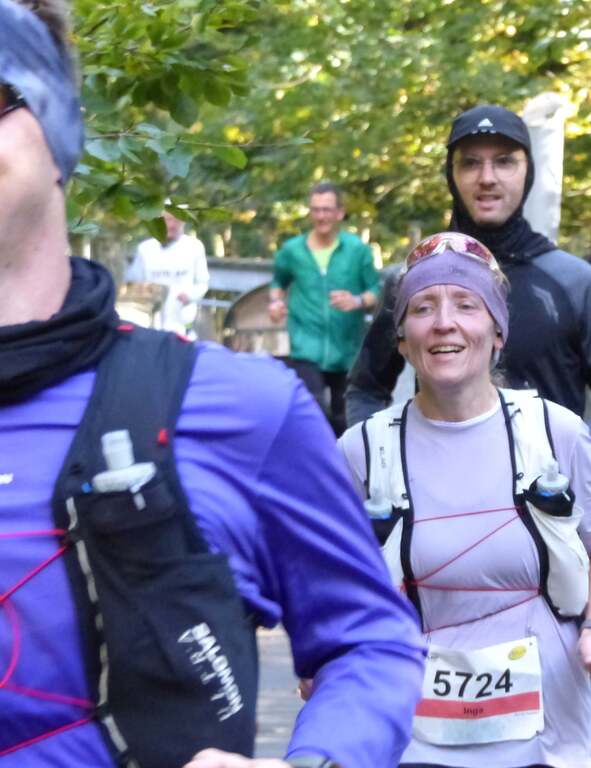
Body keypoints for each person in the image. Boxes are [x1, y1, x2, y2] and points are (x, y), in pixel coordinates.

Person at [0, 3, 424, 767]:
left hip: (320, 365)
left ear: (61, 128)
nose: (321, 212)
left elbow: (370, 639)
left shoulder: (246, 410)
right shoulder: (291, 255)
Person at [338, 232, 591, 768]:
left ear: (498, 332)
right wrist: (325, 657)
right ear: (401, 340)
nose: (443, 323)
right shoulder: (363, 450)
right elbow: (329, 576)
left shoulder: (556, 432)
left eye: (466, 305)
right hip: (410, 727)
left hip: (546, 730)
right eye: (423, 308)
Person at [345, 104, 591, 459]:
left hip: (548, 491)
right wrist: (383, 462)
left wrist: (555, 462)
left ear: (528, 171)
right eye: (470, 163)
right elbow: (365, 390)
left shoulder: (576, 283)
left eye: (504, 161)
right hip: (437, 486)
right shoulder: (415, 280)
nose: (487, 177)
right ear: (451, 174)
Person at [268, 182, 379, 435]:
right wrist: (275, 303)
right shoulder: (292, 250)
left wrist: (357, 301)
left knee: (344, 421)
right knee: (313, 415)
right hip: (305, 347)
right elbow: (278, 283)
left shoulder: (357, 250)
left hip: (347, 350)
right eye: (315, 210)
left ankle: (341, 460)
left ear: (340, 212)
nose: (321, 216)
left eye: (327, 210)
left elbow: (376, 290)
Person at [124, 205, 210, 338]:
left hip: (181, 325)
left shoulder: (194, 247)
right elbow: (133, 283)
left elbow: (203, 283)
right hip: (150, 325)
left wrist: (189, 296)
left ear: (183, 222)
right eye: (167, 219)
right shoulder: (145, 249)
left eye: (176, 220)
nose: (171, 225)